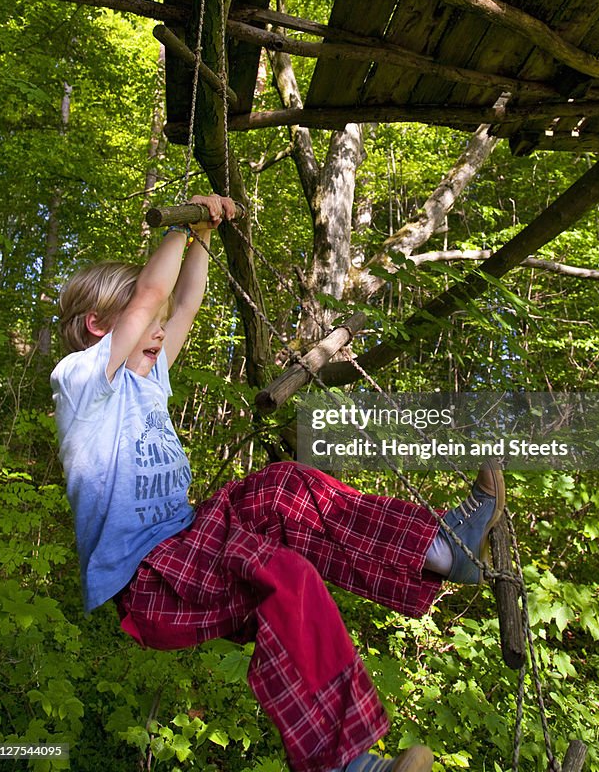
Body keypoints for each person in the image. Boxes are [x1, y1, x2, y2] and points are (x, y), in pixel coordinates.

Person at [51, 194, 506, 772]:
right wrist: (186, 218)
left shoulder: (147, 378)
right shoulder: (84, 383)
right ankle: (344, 765)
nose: (162, 334)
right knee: (284, 569)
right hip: (151, 584)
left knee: (283, 488)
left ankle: (443, 550)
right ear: (98, 326)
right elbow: (152, 296)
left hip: (189, 545)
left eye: (162, 330)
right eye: (148, 327)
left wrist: (205, 234)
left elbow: (182, 301)